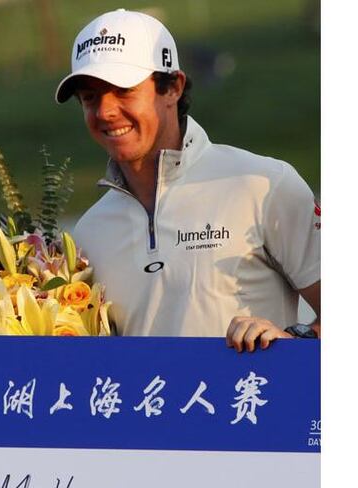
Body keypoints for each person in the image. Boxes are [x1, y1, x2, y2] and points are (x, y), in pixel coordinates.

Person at [56, 9, 320, 352]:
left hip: (249, 404)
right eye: (90, 97)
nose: (105, 111)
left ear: (173, 88)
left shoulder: (262, 185)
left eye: (123, 91)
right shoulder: (88, 234)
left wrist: (295, 342)